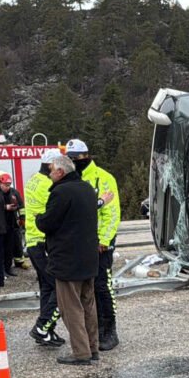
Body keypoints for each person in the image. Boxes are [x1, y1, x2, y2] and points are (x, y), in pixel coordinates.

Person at [36, 155, 99, 365]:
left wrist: (37, 218)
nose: (49, 173)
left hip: (67, 259)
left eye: (51, 170)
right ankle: (92, 347)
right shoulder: (87, 188)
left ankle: (81, 353)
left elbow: (48, 222)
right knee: (88, 305)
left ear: (61, 172)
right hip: (88, 257)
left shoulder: (61, 192)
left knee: (70, 308)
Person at [66, 138, 122, 351]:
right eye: (69, 158)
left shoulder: (102, 178)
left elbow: (112, 213)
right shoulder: (72, 179)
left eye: (76, 158)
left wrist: (105, 241)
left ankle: (109, 330)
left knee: (102, 286)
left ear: (86, 156)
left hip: (99, 243)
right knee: (84, 289)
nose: (73, 161)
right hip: (79, 243)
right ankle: (93, 329)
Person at [24, 149, 66, 347]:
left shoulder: (33, 180)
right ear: (52, 165)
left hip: (33, 241)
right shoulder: (49, 185)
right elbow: (57, 212)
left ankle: (47, 331)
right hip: (43, 242)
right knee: (60, 287)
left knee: (47, 288)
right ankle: (42, 327)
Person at [0, 172, 25, 276]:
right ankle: (1, 269)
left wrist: (22, 218)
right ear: (0, 183)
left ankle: (8, 268)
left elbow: (21, 206)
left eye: (9, 185)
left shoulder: (14, 193)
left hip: (12, 225)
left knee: (9, 249)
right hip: (0, 226)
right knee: (1, 249)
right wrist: (5, 207)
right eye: (5, 185)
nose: (7, 187)